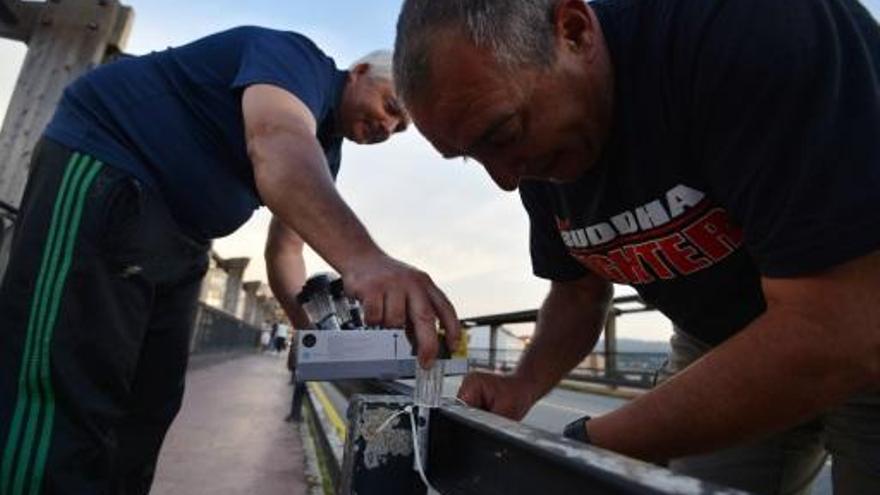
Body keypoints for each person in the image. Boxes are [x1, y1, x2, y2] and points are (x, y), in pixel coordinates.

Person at [393, 0, 880, 493]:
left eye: (502, 134)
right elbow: (579, 293)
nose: (505, 179)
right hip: (719, 339)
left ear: (575, 31)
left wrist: (583, 446)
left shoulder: (746, 29)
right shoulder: (543, 152)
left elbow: (836, 328)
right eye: (470, 157)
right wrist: (522, 385)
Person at [0, 26, 459, 495]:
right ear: (359, 72)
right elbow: (275, 140)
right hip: (109, 173)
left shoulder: (325, 150)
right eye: (391, 107)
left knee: (150, 403)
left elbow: (286, 249)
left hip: (185, 236)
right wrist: (367, 262)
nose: (388, 127)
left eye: (399, 129)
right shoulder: (295, 60)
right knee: (66, 393)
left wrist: (313, 334)